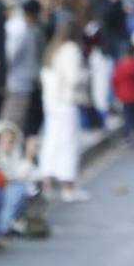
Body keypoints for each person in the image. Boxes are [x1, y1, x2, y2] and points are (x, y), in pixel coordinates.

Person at [39, 20, 90, 203]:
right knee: (68, 144)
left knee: (51, 142)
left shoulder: (52, 49)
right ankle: (68, 187)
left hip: (51, 103)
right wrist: (86, 73)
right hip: (66, 101)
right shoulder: (71, 50)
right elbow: (74, 77)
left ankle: (47, 182)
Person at [1, 0, 43, 131]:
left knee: (17, 120)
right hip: (18, 83)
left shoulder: (21, 27)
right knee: (12, 122)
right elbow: (9, 56)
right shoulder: (20, 30)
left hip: (20, 81)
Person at [112, 42, 134, 147]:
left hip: (125, 97)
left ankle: (127, 137)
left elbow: (115, 80)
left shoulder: (120, 66)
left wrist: (117, 93)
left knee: (127, 118)